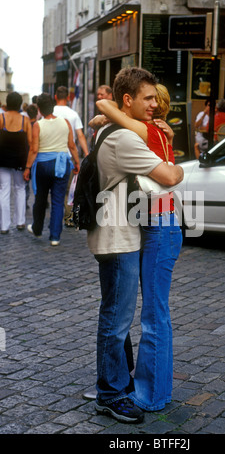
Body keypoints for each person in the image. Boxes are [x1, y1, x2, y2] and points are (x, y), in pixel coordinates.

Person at [88, 67, 184, 423]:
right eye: (148, 99)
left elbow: (103, 107)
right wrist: (179, 167)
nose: (154, 106)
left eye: (158, 101)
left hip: (153, 223)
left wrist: (105, 114)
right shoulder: (133, 134)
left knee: (139, 315)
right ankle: (115, 388)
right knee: (122, 317)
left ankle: (133, 389)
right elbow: (170, 176)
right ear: (128, 101)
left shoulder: (137, 130)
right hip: (132, 230)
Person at [23, 93, 80, 246]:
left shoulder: (38, 125)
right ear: (53, 105)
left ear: (39, 109)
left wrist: (27, 167)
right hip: (61, 164)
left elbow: (34, 150)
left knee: (40, 198)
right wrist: (77, 162)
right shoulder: (65, 122)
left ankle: (37, 228)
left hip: (43, 165)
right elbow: (72, 146)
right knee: (57, 200)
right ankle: (55, 236)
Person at [53, 86, 88, 226]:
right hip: (67, 156)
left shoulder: (50, 112)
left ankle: (52, 219)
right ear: (68, 97)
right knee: (68, 190)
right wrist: (86, 154)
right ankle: (68, 218)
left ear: (55, 96)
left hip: (49, 156)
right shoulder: (73, 114)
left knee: (53, 189)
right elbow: (80, 136)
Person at [0, 91, 32, 234]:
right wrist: (29, 166)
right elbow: (31, 143)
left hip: (2, 159)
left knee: (4, 191)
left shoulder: (1, 118)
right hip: (20, 160)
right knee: (20, 189)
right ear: (19, 104)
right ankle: (20, 222)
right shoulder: (25, 121)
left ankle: (4, 225)